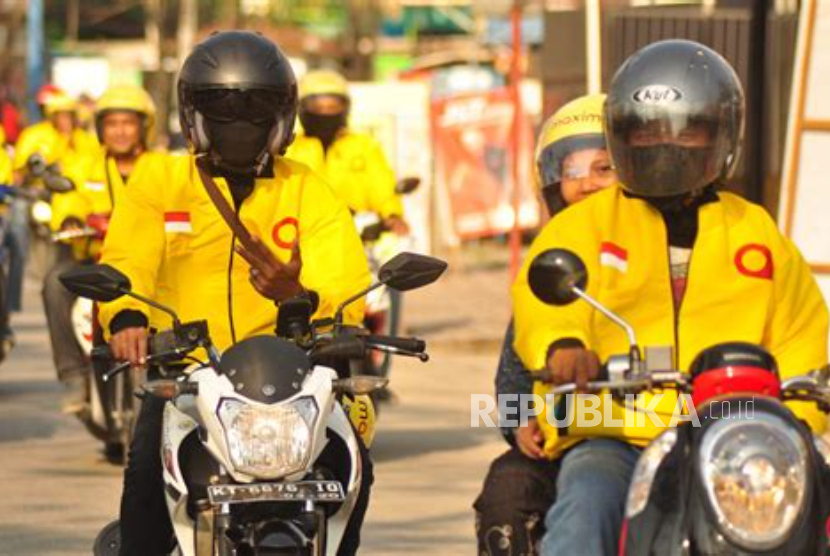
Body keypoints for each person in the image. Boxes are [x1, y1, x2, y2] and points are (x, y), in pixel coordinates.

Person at [511, 39, 829, 556]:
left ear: (721, 136)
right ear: (622, 136)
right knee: (584, 512)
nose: (667, 144)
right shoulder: (584, 226)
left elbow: (801, 336)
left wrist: (798, 422)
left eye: (688, 131)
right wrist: (563, 346)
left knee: (806, 517)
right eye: (648, 131)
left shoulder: (756, 233)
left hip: (735, 436)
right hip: (614, 430)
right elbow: (543, 297)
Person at [96, 31, 371, 556]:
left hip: (290, 377)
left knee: (351, 464)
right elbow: (127, 258)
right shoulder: (159, 179)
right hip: (186, 373)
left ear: (282, 118)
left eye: (255, 109)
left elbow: (346, 281)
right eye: (222, 109)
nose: (239, 124)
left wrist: (300, 298)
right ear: (193, 116)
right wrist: (127, 314)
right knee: (145, 483)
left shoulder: (305, 187)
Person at [474, 94, 617, 555]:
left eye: (604, 167)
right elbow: (514, 367)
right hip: (564, 438)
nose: (590, 184)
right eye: (574, 170)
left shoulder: (654, 247)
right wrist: (519, 423)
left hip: (655, 424)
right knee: (506, 495)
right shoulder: (546, 262)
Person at [43, 84, 165, 414]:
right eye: (112, 124)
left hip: (147, 267)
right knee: (54, 283)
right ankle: (73, 375)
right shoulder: (85, 165)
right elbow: (69, 195)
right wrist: (68, 218)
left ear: (144, 127)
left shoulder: (162, 167)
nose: (120, 131)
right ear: (101, 129)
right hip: (92, 259)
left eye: (128, 123)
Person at [285, 69, 408, 234]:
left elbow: (381, 185)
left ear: (345, 108)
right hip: (299, 235)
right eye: (318, 107)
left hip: (356, 235)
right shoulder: (290, 147)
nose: (325, 113)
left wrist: (392, 214)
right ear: (301, 108)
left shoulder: (364, 145)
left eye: (333, 107)